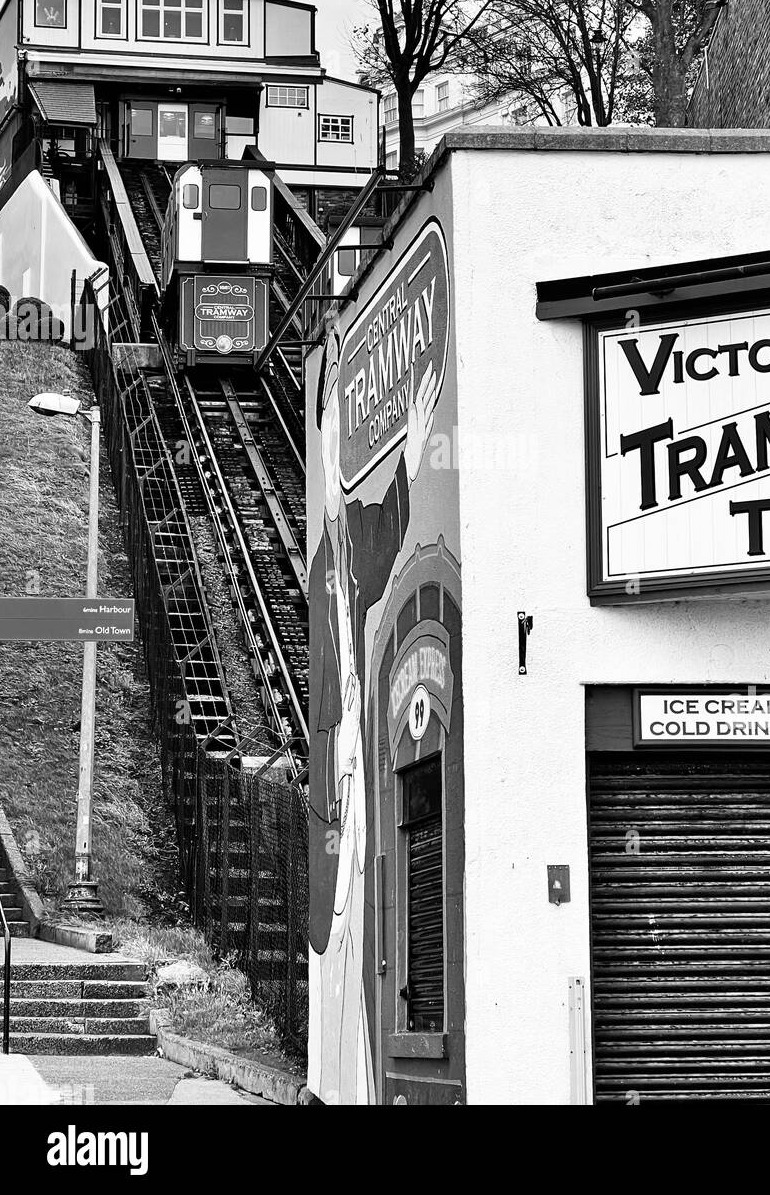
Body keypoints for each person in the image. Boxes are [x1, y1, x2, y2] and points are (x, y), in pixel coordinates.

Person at [307, 327, 437, 1103]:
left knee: (358, 924)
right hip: (340, 770)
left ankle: (351, 1078)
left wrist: (415, 453)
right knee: (341, 919)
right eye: (323, 455)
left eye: (331, 457)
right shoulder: (328, 552)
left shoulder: (350, 539)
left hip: (357, 758)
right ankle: (341, 1077)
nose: (327, 472)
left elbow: (388, 531)